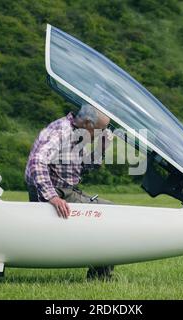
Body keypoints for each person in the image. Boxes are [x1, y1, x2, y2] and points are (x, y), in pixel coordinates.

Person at [25, 103, 115, 280]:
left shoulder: (77, 133)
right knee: (109, 214)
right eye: (101, 129)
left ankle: (100, 274)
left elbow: (84, 167)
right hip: (56, 192)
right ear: (88, 123)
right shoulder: (62, 131)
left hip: (66, 190)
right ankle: (100, 276)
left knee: (110, 212)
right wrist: (52, 196)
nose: (102, 133)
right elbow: (37, 161)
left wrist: (101, 148)